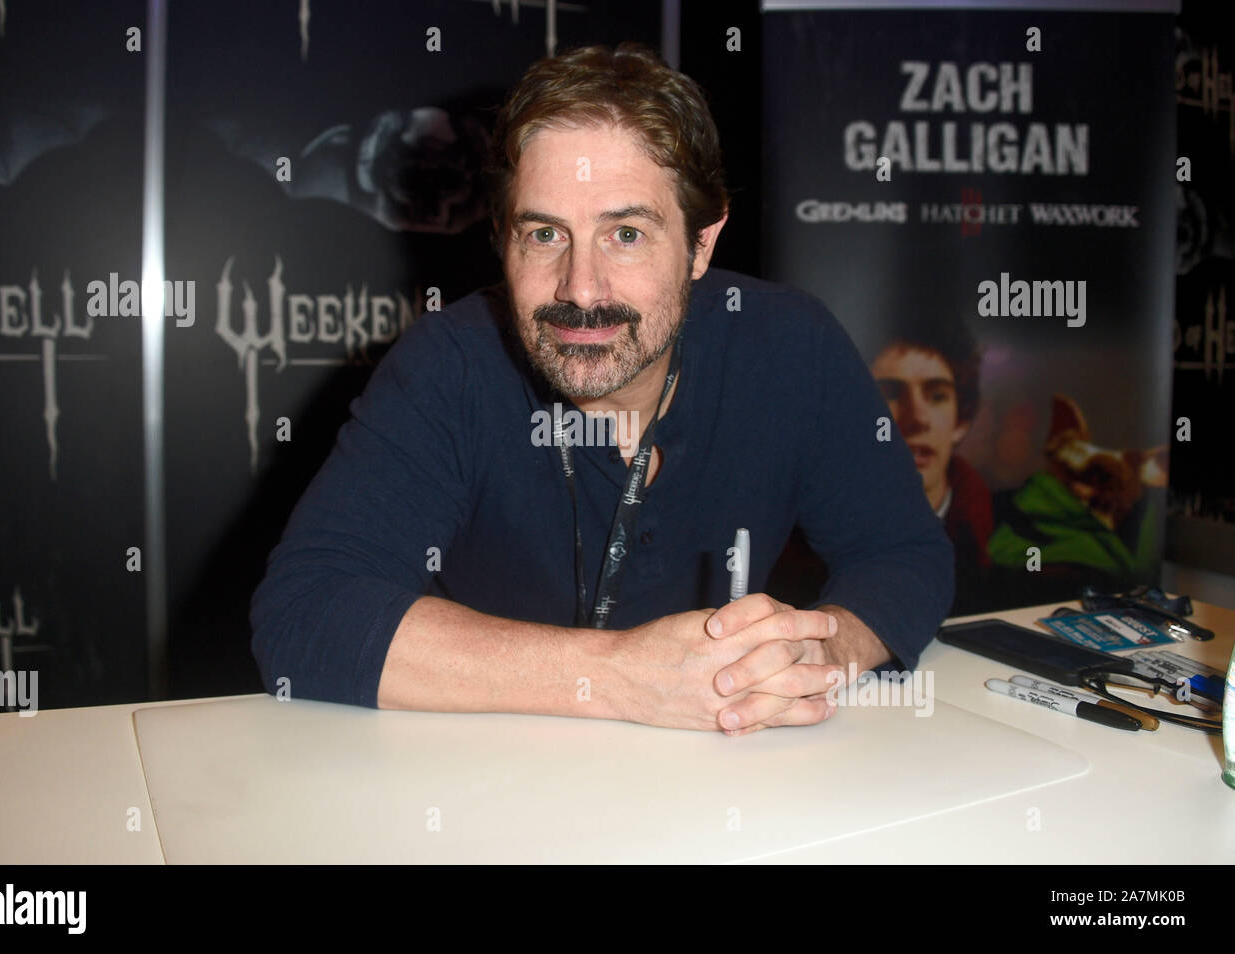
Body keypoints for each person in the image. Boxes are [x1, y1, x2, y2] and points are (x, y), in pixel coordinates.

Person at [251, 43, 953, 736]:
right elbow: (305, 611)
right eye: (546, 234)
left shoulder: (791, 346)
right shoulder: (449, 365)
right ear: (503, 239)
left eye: (625, 233)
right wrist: (620, 675)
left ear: (702, 244)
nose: (580, 289)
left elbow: (902, 554)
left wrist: (821, 652)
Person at [868, 319, 993, 615]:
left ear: (960, 421)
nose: (918, 418)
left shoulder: (1004, 542)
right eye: (891, 394)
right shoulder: (801, 547)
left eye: (937, 395)